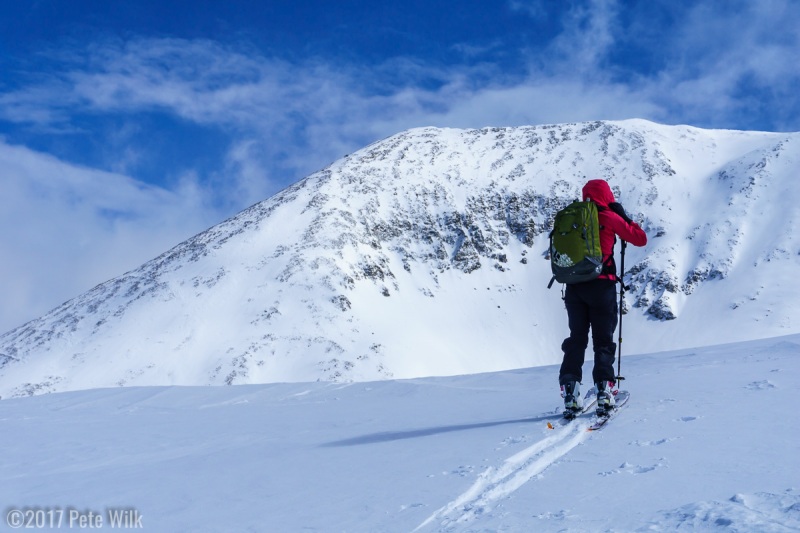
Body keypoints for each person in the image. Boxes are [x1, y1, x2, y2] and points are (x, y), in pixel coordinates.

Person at [559, 179, 647, 416]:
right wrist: (624, 217)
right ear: (606, 196)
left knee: (576, 339)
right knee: (603, 341)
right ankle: (604, 390)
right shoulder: (607, 217)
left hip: (574, 287)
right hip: (601, 287)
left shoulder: (573, 217)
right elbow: (640, 238)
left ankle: (570, 390)